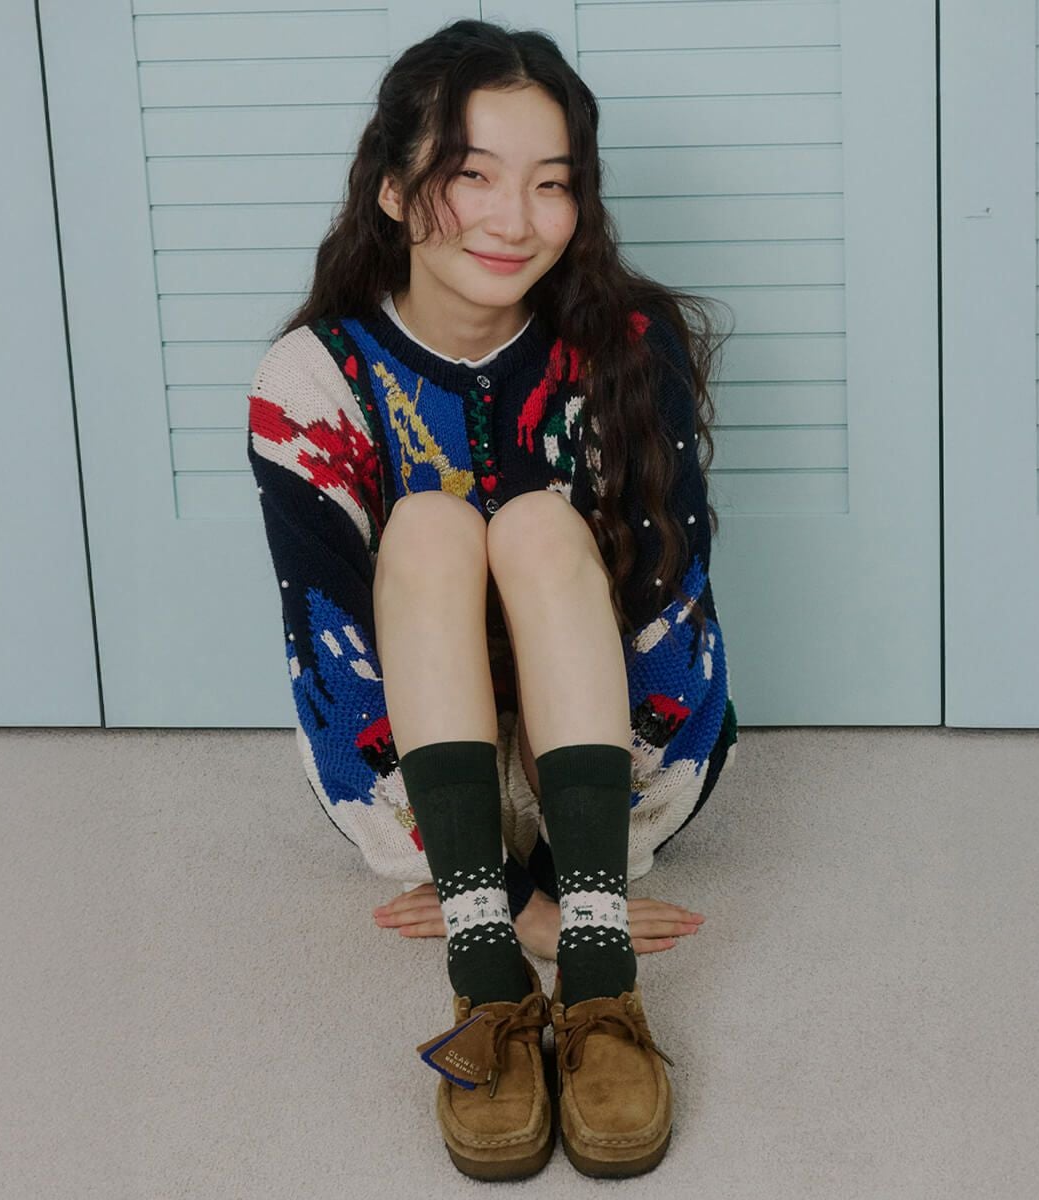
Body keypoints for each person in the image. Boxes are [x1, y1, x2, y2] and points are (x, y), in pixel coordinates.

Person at [245, 18, 737, 1181]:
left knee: (533, 521)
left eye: (552, 183)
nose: (516, 219)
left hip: (620, 767)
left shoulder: (627, 348)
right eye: (474, 175)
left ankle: (603, 985)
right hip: (417, 796)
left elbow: (674, 613)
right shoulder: (312, 382)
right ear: (392, 187)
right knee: (426, 524)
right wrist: (508, 901)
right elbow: (329, 661)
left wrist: (580, 887)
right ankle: (484, 970)